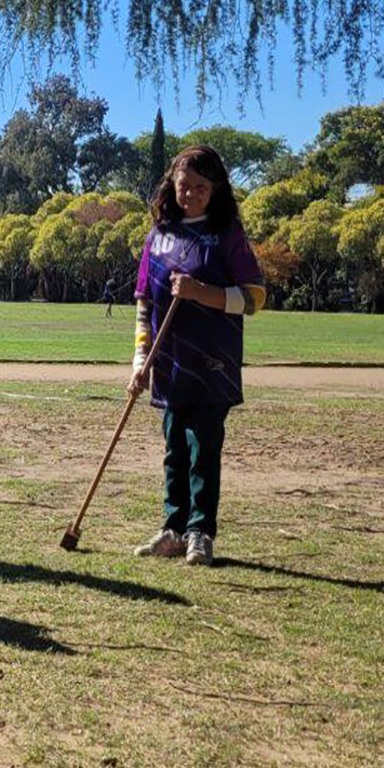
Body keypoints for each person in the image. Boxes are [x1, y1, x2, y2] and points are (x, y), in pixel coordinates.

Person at [129, 145, 263, 567]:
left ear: (216, 189)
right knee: (174, 448)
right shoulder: (158, 234)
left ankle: (200, 533)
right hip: (169, 364)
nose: (191, 195)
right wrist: (139, 362)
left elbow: (255, 298)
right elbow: (143, 305)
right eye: (185, 185)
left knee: (203, 446)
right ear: (173, 183)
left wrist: (202, 293)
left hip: (213, 362)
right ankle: (173, 528)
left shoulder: (228, 234)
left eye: (201, 188)